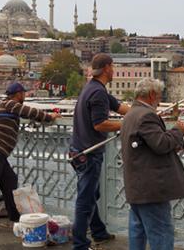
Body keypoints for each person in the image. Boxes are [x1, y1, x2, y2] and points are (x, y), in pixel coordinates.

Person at [0, 82, 60, 231]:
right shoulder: (10, 104)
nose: (24, 96)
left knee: (10, 180)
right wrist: (50, 117)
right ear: (18, 94)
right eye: (23, 93)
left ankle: (14, 215)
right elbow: (29, 112)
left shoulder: (7, 105)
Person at [121, 78, 184, 250]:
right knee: (161, 233)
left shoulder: (130, 114)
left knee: (137, 231)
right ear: (152, 95)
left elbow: (148, 144)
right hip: (150, 188)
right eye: (159, 96)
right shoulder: (146, 115)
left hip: (136, 186)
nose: (159, 101)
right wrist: (178, 131)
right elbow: (161, 143)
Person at [70, 53, 130, 249]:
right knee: (85, 200)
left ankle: (98, 231)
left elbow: (121, 107)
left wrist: (143, 112)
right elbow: (100, 124)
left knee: (91, 194)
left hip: (78, 150)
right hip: (88, 153)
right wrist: (126, 125)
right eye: (113, 67)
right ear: (106, 68)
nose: (114, 71)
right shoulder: (97, 93)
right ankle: (79, 243)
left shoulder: (93, 88)